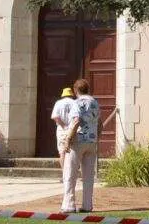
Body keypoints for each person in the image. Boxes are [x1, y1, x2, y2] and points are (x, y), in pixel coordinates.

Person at [61, 78, 101, 213]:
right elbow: (99, 123)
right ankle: (87, 205)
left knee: (70, 173)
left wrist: (67, 139)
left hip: (78, 140)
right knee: (89, 176)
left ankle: (69, 205)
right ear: (87, 89)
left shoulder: (76, 103)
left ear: (75, 90)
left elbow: (76, 121)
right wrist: (97, 138)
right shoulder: (95, 102)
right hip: (91, 141)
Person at [51, 86, 76, 168]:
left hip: (62, 130)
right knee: (74, 152)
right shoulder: (75, 102)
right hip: (73, 129)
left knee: (62, 152)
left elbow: (55, 117)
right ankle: (72, 174)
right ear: (71, 95)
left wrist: (63, 125)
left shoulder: (58, 103)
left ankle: (64, 174)